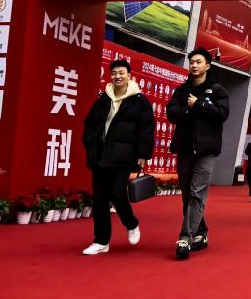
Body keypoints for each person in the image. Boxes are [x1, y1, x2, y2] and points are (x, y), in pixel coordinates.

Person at [80, 59, 155, 255]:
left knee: (117, 193)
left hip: (124, 155)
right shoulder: (104, 98)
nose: (117, 76)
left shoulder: (140, 101)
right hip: (101, 155)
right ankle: (101, 241)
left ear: (129, 75)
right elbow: (90, 123)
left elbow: (146, 129)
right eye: (114, 73)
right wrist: (90, 144)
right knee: (99, 199)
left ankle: (131, 224)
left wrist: (143, 154)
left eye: (121, 73)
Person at [167, 49, 230, 260]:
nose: (194, 65)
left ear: (207, 66)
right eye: (191, 62)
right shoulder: (182, 90)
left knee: (197, 193)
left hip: (206, 151)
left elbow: (222, 114)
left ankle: (185, 238)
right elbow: (171, 112)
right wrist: (189, 110)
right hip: (184, 148)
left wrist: (199, 104)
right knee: (187, 195)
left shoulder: (218, 90)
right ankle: (201, 233)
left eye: (198, 62)